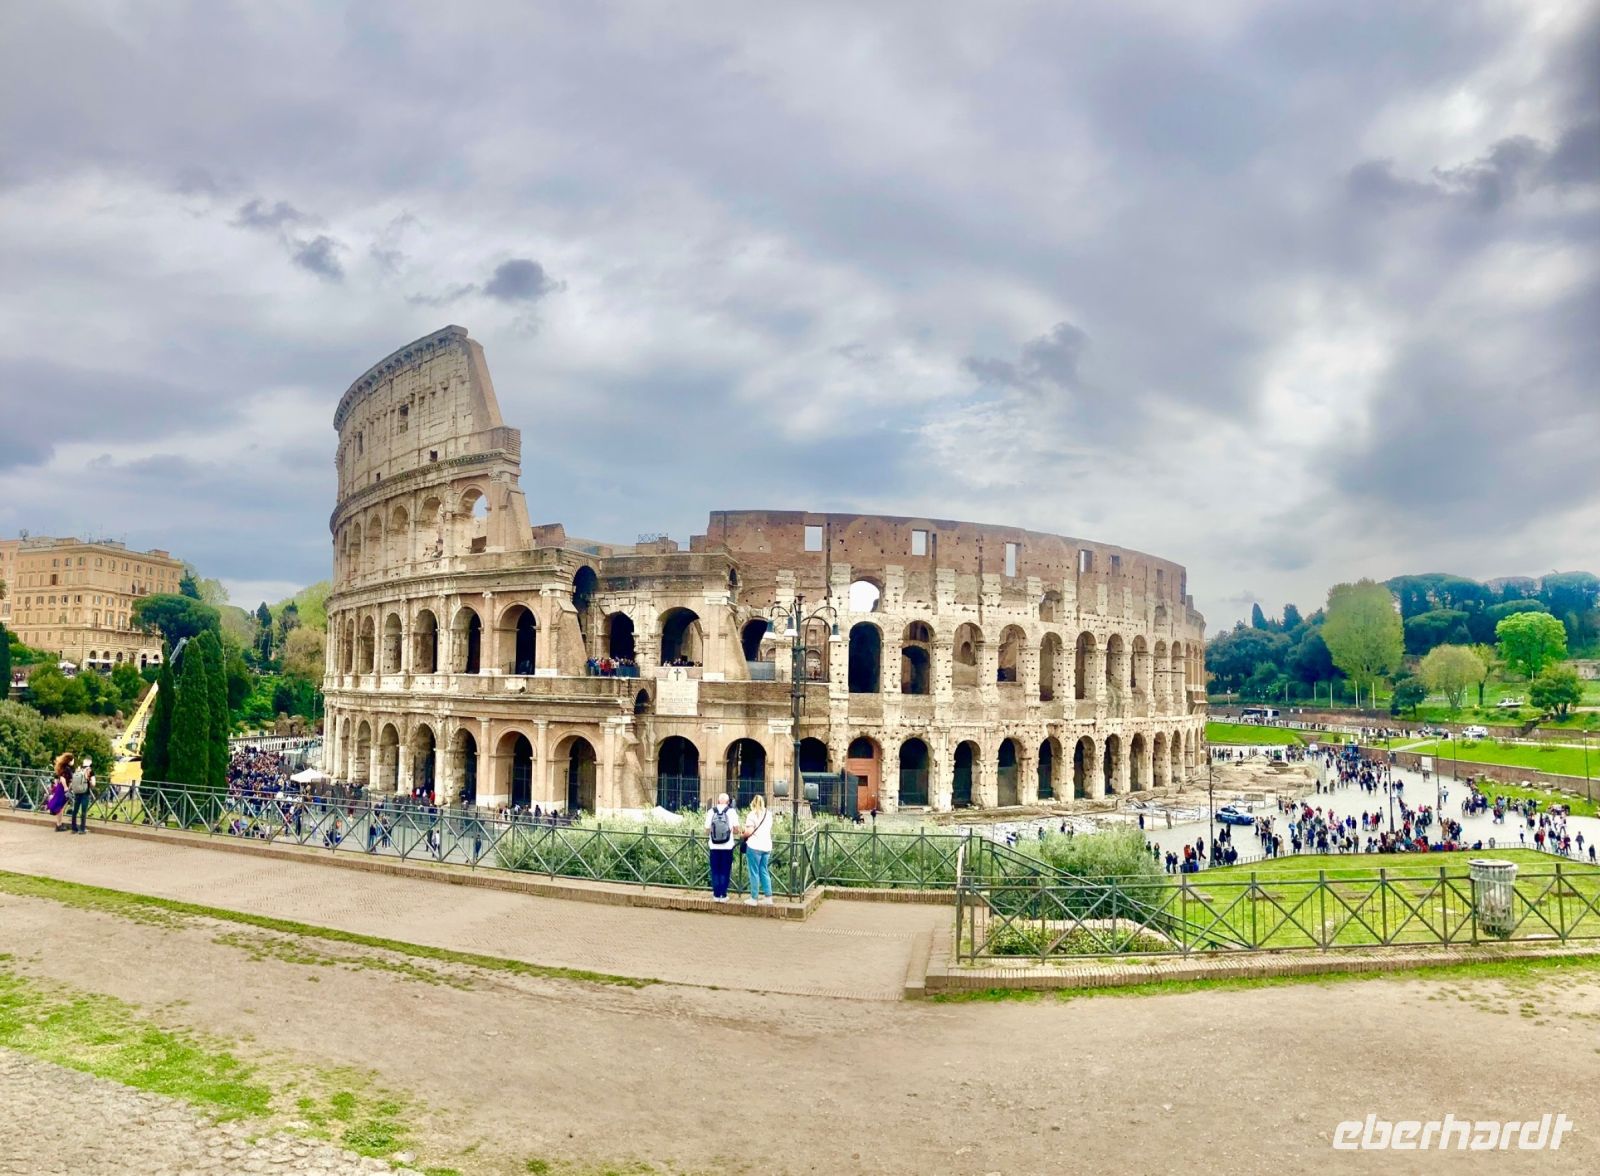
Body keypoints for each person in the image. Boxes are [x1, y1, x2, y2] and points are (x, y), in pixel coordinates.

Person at [704, 792, 740, 902]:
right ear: (728, 802)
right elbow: (736, 829)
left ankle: (716, 894)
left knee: (715, 870)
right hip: (727, 846)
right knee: (725, 870)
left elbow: (706, 829)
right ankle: (723, 895)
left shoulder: (711, 811)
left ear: (718, 801)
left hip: (714, 846)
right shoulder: (732, 812)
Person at [741, 794, 774, 905]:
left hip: (754, 846)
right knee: (764, 870)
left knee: (754, 872)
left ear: (753, 803)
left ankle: (754, 898)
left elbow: (749, 832)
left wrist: (743, 834)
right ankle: (768, 897)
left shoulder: (752, 814)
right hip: (767, 846)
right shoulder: (769, 814)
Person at [47, 752, 72, 831]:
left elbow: (56, 778)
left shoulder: (61, 767)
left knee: (60, 807)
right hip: (63, 789)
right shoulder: (67, 769)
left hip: (59, 788)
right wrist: (66, 788)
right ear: (69, 760)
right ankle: (59, 824)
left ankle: (59, 823)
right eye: (72, 760)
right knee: (61, 807)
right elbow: (63, 778)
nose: (73, 761)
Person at [68, 756, 94, 834]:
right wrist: (89, 781)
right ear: (90, 762)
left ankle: (74, 828)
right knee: (83, 811)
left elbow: (73, 781)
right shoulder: (90, 771)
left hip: (77, 792)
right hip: (85, 792)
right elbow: (93, 783)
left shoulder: (78, 769)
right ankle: (82, 829)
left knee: (75, 810)